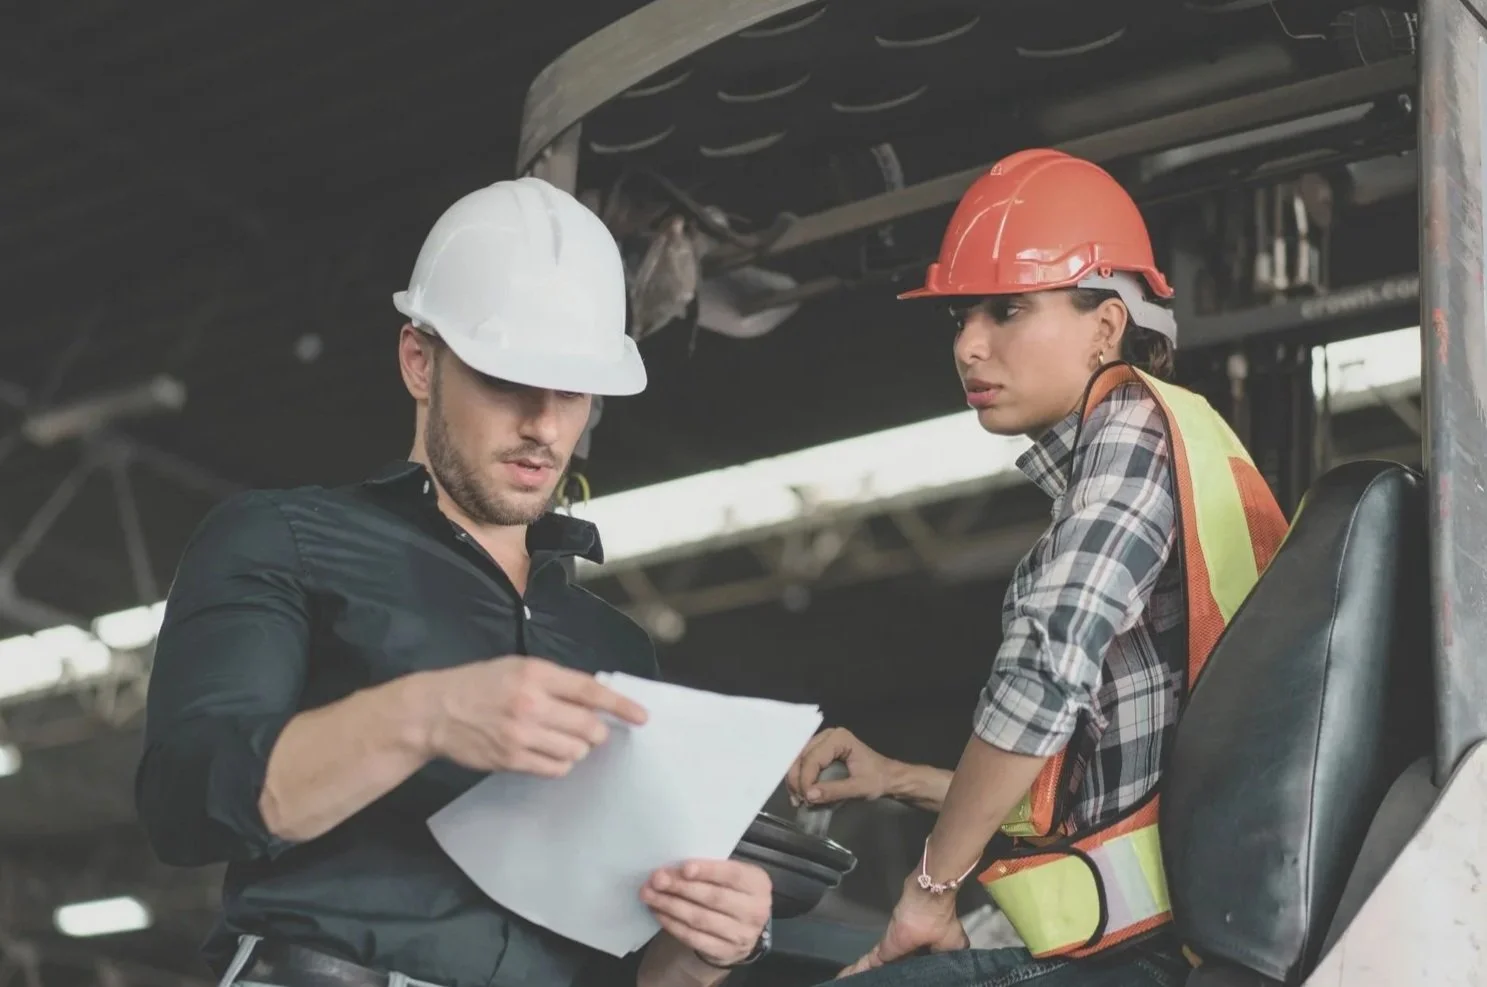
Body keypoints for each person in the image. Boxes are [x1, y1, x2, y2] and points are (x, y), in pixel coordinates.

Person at [135, 177, 772, 987]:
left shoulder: (613, 649)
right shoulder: (284, 538)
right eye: (509, 380)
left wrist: (701, 945)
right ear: (419, 361)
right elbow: (187, 802)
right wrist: (423, 714)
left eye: (572, 391)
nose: (544, 425)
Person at [788, 149, 1290, 986]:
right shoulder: (1163, 440)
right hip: (1161, 933)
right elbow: (1092, 786)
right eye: (960, 317)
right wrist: (899, 778)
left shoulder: (1130, 439)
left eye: (1007, 310)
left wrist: (930, 885)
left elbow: (1042, 674)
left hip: (1149, 953)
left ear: (1105, 326)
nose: (969, 345)